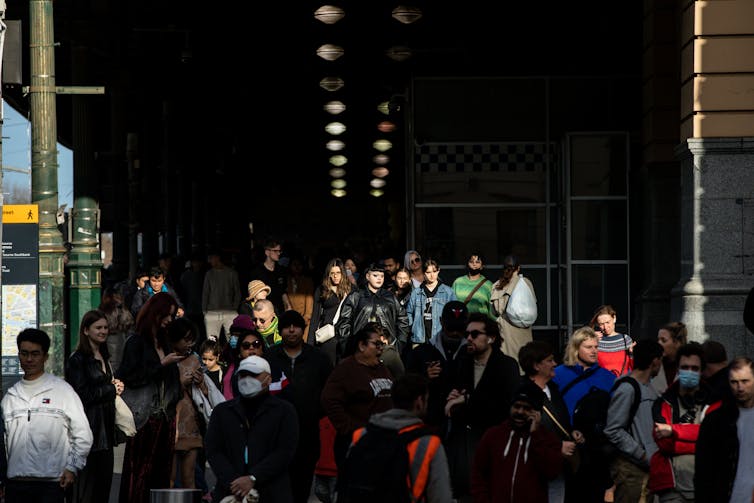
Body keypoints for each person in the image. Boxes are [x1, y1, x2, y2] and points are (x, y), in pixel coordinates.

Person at [2, 328, 93, 503]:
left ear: (45, 357)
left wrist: (72, 467)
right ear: (18, 355)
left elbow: (83, 435)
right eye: (24, 353)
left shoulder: (62, 391)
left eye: (35, 354)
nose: (29, 359)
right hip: (15, 485)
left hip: (52, 484)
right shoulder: (10, 397)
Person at [443, 312, 521, 501]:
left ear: (491, 338)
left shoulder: (506, 366)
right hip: (464, 449)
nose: (469, 338)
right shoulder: (463, 362)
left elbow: (505, 405)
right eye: (467, 334)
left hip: (493, 446)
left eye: (475, 334)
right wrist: (453, 397)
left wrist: (466, 399)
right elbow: (455, 394)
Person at [342, 373, 453, 503]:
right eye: (427, 400)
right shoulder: (428, 444)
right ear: (419, 401)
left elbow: (345, 485)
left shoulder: (361, 435)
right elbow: (441, 497)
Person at [116, 292, 184, 503]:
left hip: (165, 418)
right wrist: (161, 365)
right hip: (145, 418)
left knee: (161, 476)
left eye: (172, 316)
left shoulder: (166, 343)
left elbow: (173, 384)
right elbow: (131, 377)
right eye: (166, 315)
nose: (168, 321)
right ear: (155, 313)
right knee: (139, 476)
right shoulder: (136, 342)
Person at [205, 355, 300, 502]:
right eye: (243, 375)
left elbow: (285, 451)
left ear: (268, 379)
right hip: (230, 493)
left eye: (253, 375)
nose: (246, 379)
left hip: (273, 494)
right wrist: (234, 482)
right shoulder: (222, 412)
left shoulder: (285, 411)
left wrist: (253, 477)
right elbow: (213, 450)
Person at [267, 310, 334, 503]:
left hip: (308, 431)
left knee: (302, 485)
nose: (291, 331)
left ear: (303, 330)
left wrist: (315, 412)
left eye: (295, 326)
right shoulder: (270, 357)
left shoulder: (318, 358)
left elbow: (329, 392)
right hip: (276, 432)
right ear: (280, 331)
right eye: (286, 327)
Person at [470, 379, 563, 503]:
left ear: (537, 413)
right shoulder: (493, 435)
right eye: (517, 406)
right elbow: (478, 474)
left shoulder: (548, 439)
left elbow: (551, 472)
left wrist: (536, 436)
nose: (520, 412)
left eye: (527, 408)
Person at [65, 310, 124, 503]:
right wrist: (110, 389)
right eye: (98, 327)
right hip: (88, 432)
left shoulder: (105, 355)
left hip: (106, 431)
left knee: (103, 490)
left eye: (105, 327)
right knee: (87, 492)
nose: (103, 331)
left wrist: (115, 386)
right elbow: (82, 394)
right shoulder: (77, 360)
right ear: (85, 330)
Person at [552, 326, 616, 503]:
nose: (594, 351)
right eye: (589, 347)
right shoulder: (557, 375)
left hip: (598, 446)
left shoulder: (607, 377)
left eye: (596, 347)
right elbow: (554, 409)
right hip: (568, 442)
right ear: (576, 348)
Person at [321, 324, 394, 476]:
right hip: (356, 447)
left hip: (383, 444)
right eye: (377, 344)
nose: (381, 349)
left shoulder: (383, 368)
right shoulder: (346, 369)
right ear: (362, 345)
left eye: (382, 345)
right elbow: (329, 400)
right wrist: (351, 430)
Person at [649, 342, 716, 502]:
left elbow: (714, 439)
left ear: (702, 371)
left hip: (706, 484)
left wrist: (674, 431)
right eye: (685, 367)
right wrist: (699, 436)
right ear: (678, 369)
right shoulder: (663, 402)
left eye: (695, 368)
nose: (689, 372)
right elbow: (665, 443)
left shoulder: (714, 400)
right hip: (673, 489)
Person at [519, 340, 582, 503]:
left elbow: (560, 422)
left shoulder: (553, 389)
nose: (555, 364)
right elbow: (523, 435)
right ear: (536, 366)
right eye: (549, 360)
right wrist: (557, 447)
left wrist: (571, 432)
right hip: (535, 470)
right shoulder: (522, 394)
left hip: (558, 468)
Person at [604, 339, 663, 503]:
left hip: (644, 467)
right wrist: (641, 454)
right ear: (655, 361)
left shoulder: (648, 387)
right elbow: (613, 430)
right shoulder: (627, 388)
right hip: (630, 469)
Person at [404, 300, 470, 432]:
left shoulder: (473, 353)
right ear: (441, 322)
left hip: (464, 423)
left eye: (460, 328)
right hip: (431, 422)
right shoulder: (422, 352)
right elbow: (407, 387)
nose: (455, 333)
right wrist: (424, 377)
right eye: (451, 328)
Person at [695, 357, 754, 502]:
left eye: (745, 381)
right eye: (734, 382)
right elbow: (704, 471)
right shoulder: (715, 421)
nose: (740, 388)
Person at [336, 262, 409, 372]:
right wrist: (349, 346)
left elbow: (403, 319)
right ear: (367, 276)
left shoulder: (390, 297)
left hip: (387, 349)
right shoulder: (356, 296)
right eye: (375, 275)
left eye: (382, 276)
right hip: (362, 350)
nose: (379, 279)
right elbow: (343, 322)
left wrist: (398, 344)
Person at [167, 317, 206, 489]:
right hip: (172, 423)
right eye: (185, 339)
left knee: (189, 478)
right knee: (170, 478)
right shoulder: (167, 360)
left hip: (191, 425)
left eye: (192, 339)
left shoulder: (195, 360)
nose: (189, 343)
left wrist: (200, 383)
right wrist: (180, 383)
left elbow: (205, 394)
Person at [490, 254, 536, 364]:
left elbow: (493, 311)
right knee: (524, 363)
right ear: (518, 268)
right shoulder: (525, 283)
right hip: (523, 332)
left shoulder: (497, 285)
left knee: (507, 364)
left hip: (504, 332)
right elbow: (531, 305)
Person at [308, 258, 352, 365]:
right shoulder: (322, 290)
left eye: (338, 272)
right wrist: (309, 344)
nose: (335, 276)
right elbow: (315, 317)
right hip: (327, 335)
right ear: (328, 274)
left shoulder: (351, 290)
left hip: (345, 335)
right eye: (332, 273)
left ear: (343, 273)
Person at [406, 258, 457, 345]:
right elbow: (409, 312)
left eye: (434, 271)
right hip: (419, 338)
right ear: (423, 273)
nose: (432, 275)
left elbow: (455, 314)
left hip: (441, 338)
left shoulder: (448, 292)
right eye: (428, 272)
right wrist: (413, 328)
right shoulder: (416, 292)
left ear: (438, 271)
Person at [202, 250, 241, 343]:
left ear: (217, 258)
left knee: (233, 341)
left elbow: (237, 293)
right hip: (213, 312)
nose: (209, 261)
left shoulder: (232, 273)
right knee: (212, 342)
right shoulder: (209, 274)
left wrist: (234, 308)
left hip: (228, 312)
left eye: (211, 258)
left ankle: (232, 357)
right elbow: (205, 293)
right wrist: (205, 311)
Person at [249, 238, 291, 315]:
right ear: (267, 252)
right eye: (275, 251)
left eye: (279, 251)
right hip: (264, 311)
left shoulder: (281, 270)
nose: (279, 253)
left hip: (279, 311)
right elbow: (254, 294)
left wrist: (288, 306)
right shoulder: (257, 272)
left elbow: (283, 291)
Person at [98, 286, 135, 374]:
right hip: (119, 336)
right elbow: (128, 322)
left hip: (109, 338)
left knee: (112, 362)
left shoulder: (103, 310)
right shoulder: (120, 308)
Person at [591, 304, 635, 377]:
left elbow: (633, 368)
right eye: (601, 324)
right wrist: (589, 339)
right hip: (602, 385)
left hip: (622, 385)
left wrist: (631, 354)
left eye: (608, 322)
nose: (605, 327)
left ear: (614, 318)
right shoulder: (595, 340)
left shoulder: (625, 340)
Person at [451, 252, 494, 319]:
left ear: (482, 266)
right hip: (461, 323)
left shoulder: (488, 285)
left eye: (477, 262)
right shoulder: (458, 282)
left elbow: (491, 310)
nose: (474, 264)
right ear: (467, 264)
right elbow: (451, 304)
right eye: (471, 261)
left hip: (480, 324)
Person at [652, 321, 687, 394]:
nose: (659, 343)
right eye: (658, 339)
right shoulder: (654, 365)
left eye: (663, 340)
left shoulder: (688, 366)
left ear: (677, 343)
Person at [286, 255, 315, 335]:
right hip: (289, 319)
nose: (297, 267)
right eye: (294, 265)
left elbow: (309, 301)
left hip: (303, 320)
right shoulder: (287, 280)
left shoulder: (307, 281)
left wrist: (305, 318)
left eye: (299, 265)